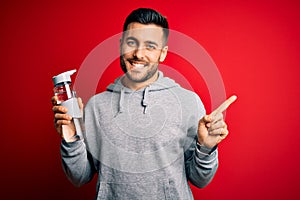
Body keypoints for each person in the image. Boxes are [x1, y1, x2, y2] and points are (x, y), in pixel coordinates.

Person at [52, 8, 236, 200]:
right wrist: (71, 137)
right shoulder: (95, 107)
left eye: (150, 46)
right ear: (121, 45)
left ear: (162, 53)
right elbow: (79, 177)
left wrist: (206, 148)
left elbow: (200, 180)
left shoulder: (188, 102)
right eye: (132, 43)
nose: (138, 54)